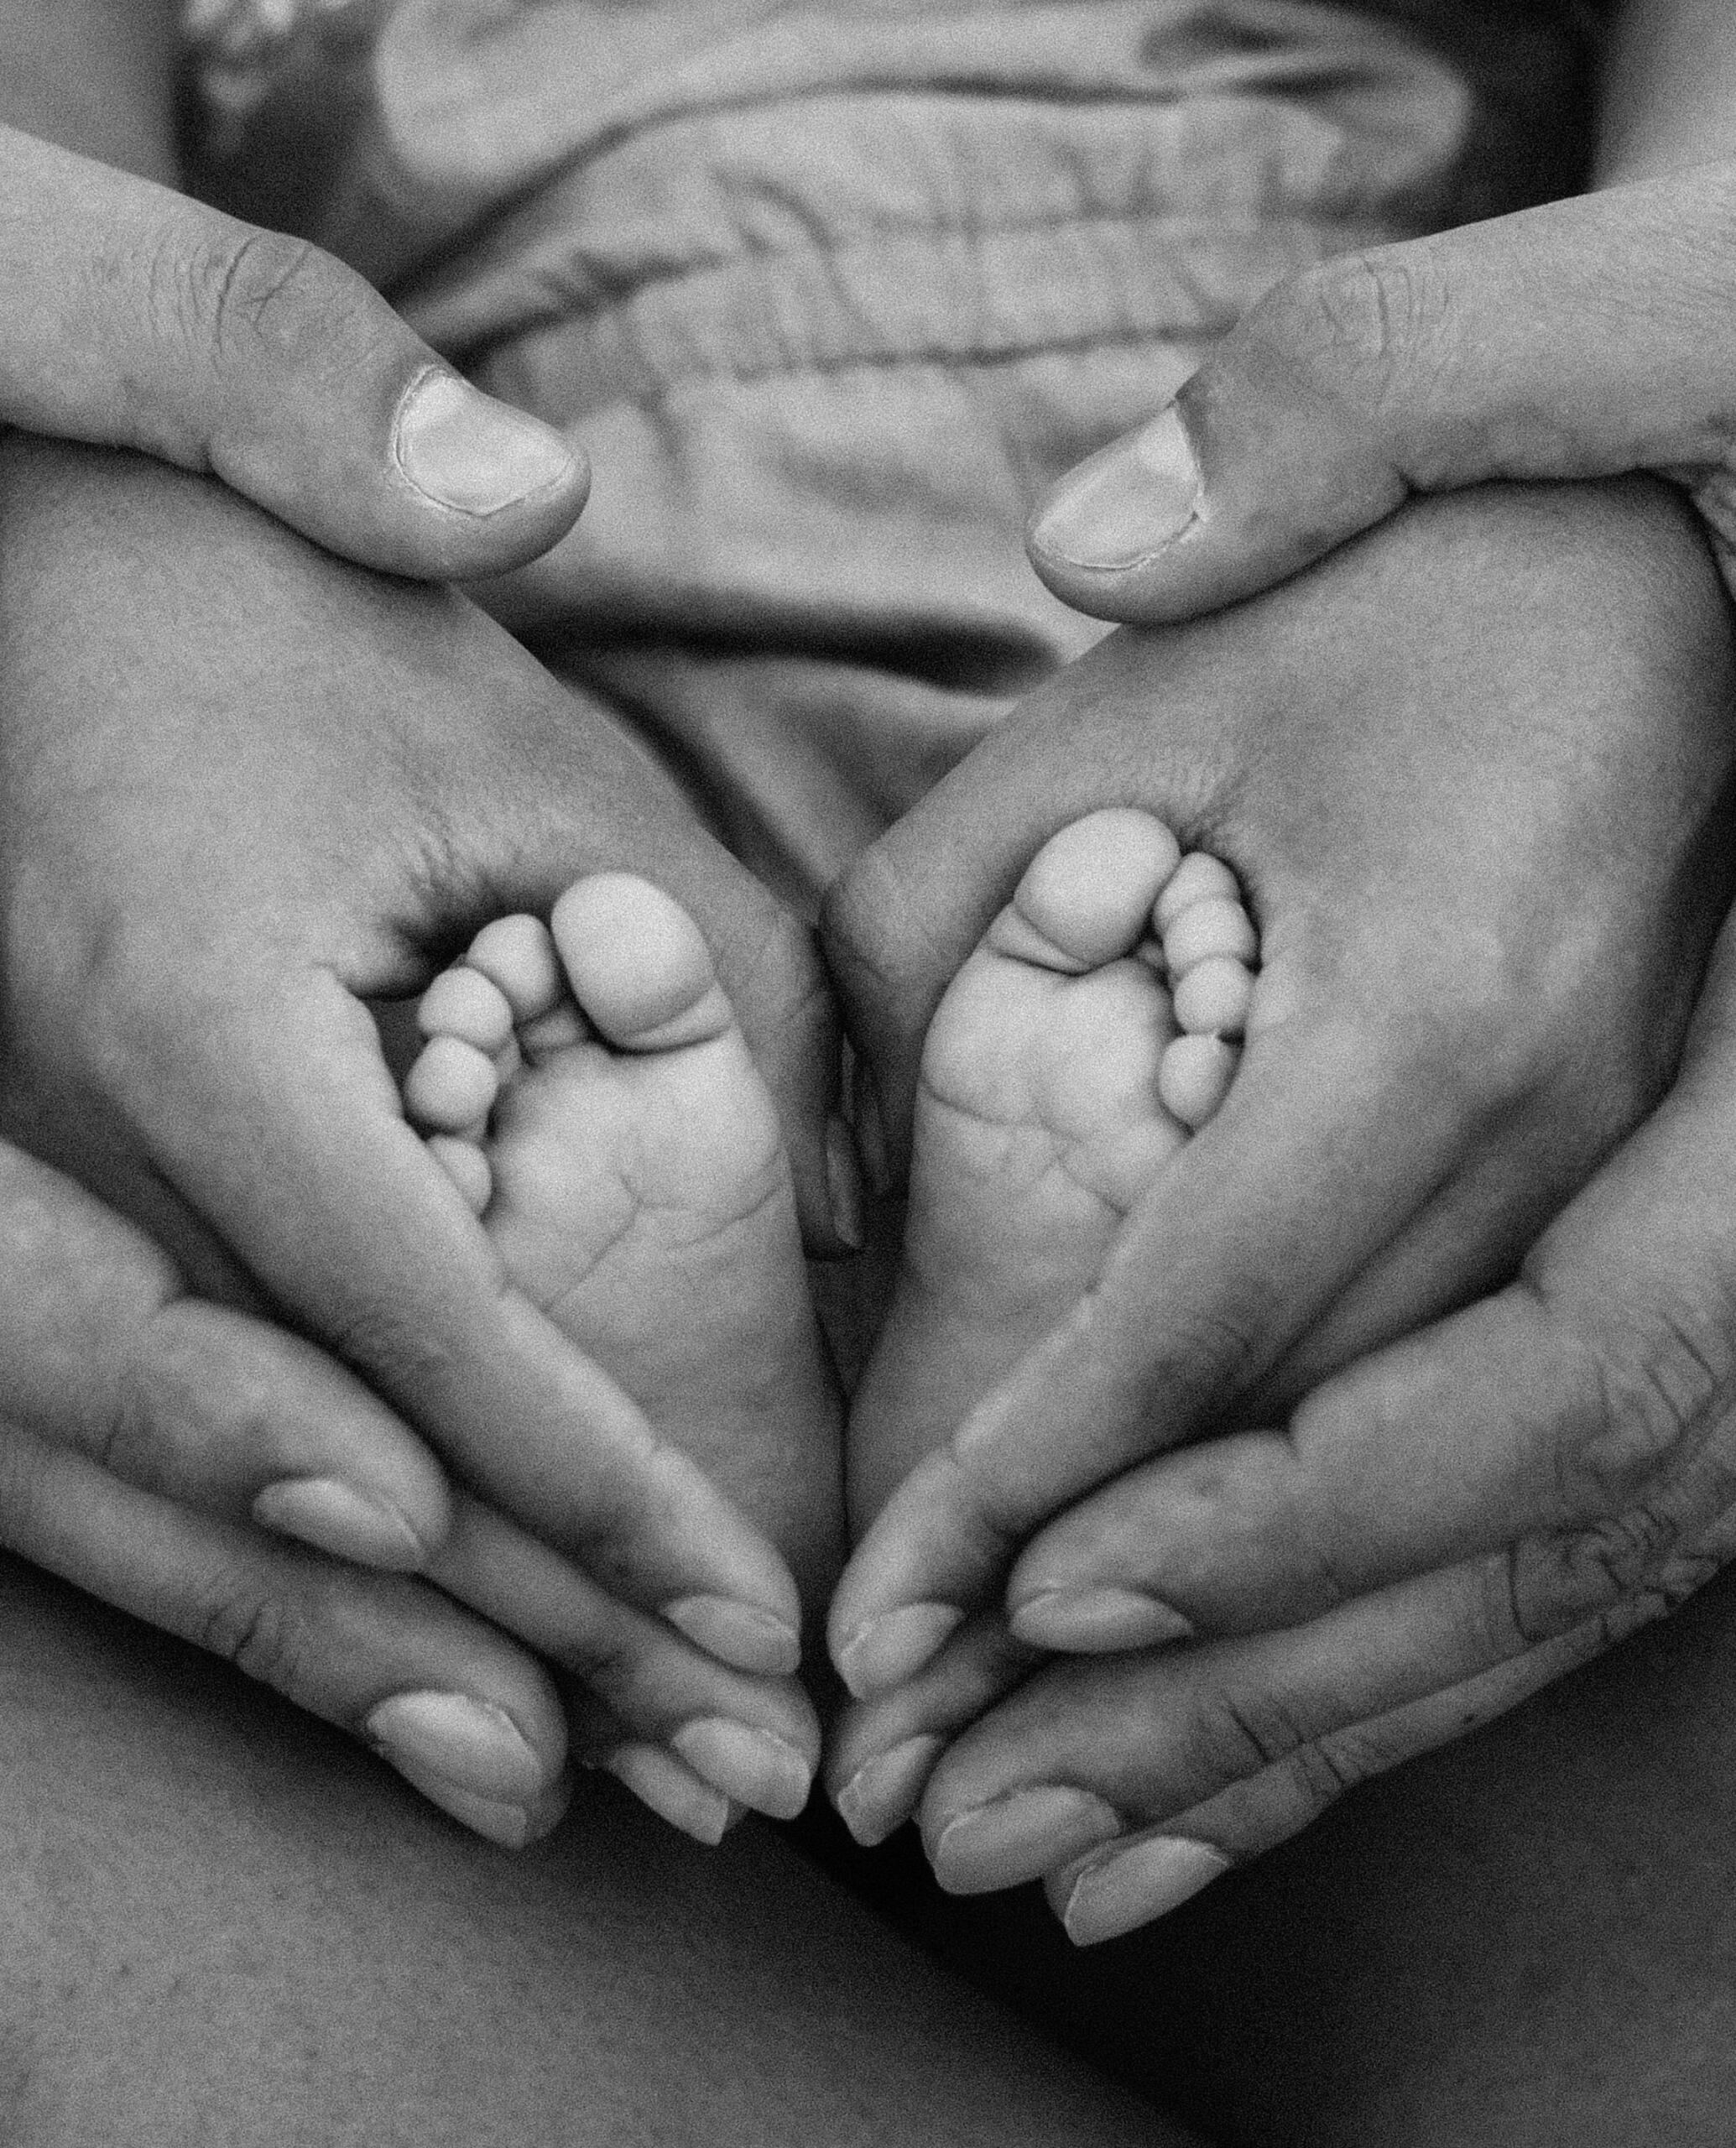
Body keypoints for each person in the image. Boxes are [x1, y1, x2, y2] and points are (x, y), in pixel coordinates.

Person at [7, 3, 1736, 2144]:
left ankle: (718, 1324)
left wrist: (1653, 398)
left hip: (1389, 624)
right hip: (368, 637)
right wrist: (77, 475)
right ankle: (1029, 1290)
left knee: (524, 1022)